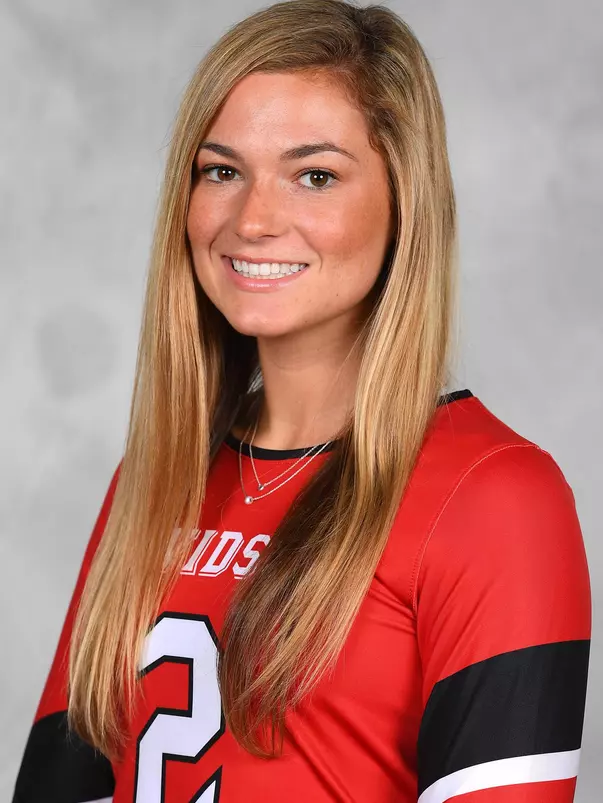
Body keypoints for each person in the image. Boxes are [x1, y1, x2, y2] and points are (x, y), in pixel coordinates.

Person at [12, 1, 591, 801]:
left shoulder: (495, 495)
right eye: (221, 171)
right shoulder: (152, 480)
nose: (252, 219)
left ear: (404, 206)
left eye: (314, 175)